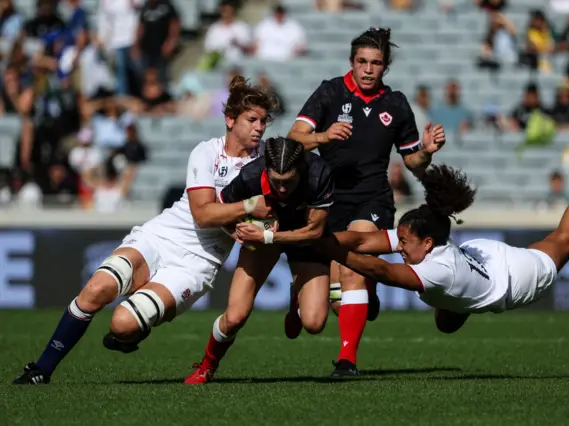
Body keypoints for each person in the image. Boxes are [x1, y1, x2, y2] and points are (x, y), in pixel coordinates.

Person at [12, 76, 278, 384]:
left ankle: (128, 335)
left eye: (263, 121)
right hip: (161, 236)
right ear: (230, 120)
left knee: (122, 324)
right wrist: (247, 209)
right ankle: (41, 370)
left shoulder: (268, 165)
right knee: (95, 289)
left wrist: (261, 229)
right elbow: (203, 214)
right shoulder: (206, 152)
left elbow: (265, 218)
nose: (259, 127)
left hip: (196, 263)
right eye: (252, 119)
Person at [314, 142, 569, 340]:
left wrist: (326, 250)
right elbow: (360, 239)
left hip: (513, 279)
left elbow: (379, 271)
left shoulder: (434, 271)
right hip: (479, 256)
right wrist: (320, 238)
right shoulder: (426, 232)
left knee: (565, 239)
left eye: (403, 242)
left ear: (425, 243)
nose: (398, 246)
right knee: (445, 323)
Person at [287, 27, 444, 376]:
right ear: (352, 62)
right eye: (362, 62)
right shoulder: (330, 92)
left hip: (371, 198)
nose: (368, 69)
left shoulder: (396, 104)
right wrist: (324, 135)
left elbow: (412, 161)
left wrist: (426, 151)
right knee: (316, 319)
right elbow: (293, 139)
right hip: (323, 200)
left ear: (384, 67)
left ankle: (347, 361)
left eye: (376, 63)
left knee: (352, 266)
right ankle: (302, 293)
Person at [184, 137, 335, 385]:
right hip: (262, 238)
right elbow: (222, 213)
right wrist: (239, 231)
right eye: (276, 182)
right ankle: (206, 367)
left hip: (303, 239)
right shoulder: (249, 176)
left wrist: (268, 236)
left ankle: (297, 293)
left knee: (314, 323)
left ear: (300, 169)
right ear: (266, 169)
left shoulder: (319, 172)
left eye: (289, 182)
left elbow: (315, 231)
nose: (282, 189)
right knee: (234, 317)